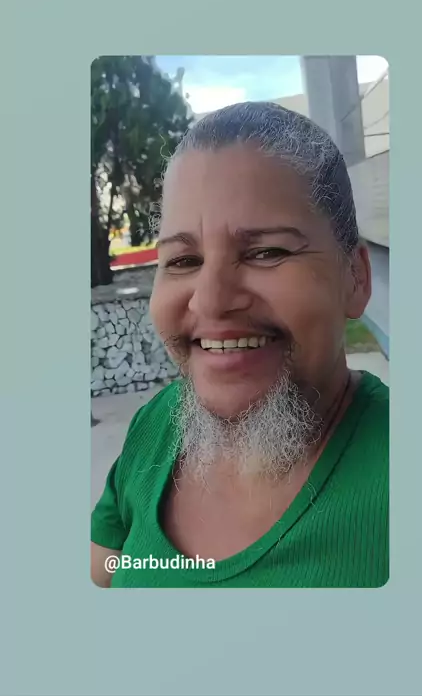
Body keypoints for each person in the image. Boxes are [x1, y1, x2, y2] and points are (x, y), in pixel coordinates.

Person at [91, 101, 389, 588]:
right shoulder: (156, 424)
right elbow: (102, 571)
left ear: (354, 276)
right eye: (183, 261)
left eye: (266, 251)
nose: (210, 301)